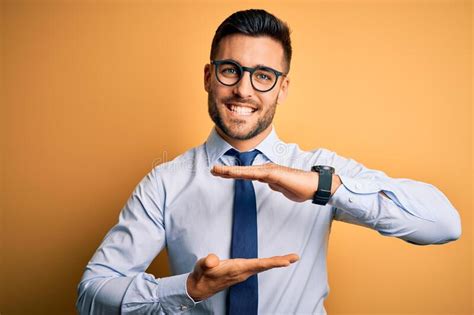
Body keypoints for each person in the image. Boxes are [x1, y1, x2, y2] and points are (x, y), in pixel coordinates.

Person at [76, 9, 462, 315]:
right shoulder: (165, 182)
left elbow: (443, 224)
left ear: (283, 87)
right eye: (231, 71)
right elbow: (91, 295)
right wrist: (187, 290)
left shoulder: (319, 169)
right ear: (209, 77)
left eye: (263, 75)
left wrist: (323, 187)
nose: (243, 90)